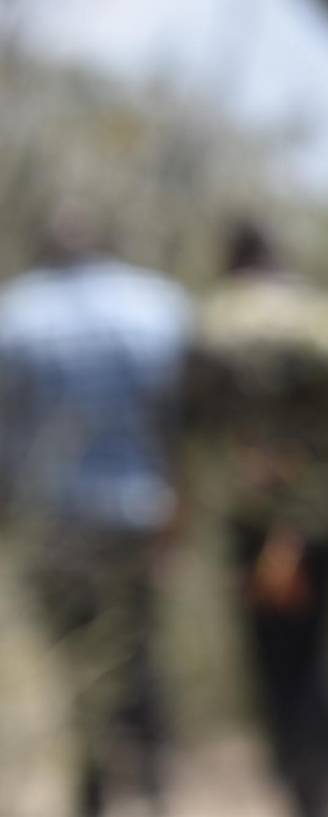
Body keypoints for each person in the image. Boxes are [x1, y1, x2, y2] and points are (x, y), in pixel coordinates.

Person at [0, 202, 192, 817]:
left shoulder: (15, 315)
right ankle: (153, 783)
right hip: (141, 510)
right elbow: (180, 419)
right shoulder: (159, 306)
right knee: (138, 648)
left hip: (55, 517)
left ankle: (92, 794)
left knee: (73, 656)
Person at [187, 219, 328, 817]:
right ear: (278, 255)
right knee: (320, 649)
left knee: (272, 657)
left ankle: (297, 779)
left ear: (229, 259)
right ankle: (326, 784)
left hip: (251, 521)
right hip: (325, 518)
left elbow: (195, 433)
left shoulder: (208, 324)